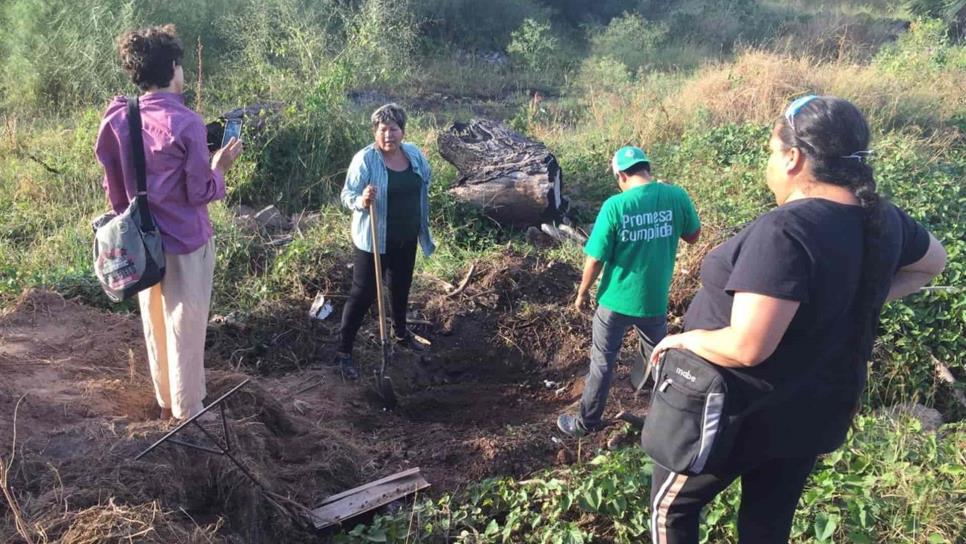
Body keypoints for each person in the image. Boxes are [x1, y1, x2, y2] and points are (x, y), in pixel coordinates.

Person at [647, 95, 946, 543]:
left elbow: (748, 347)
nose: (768, 163)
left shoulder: (786, 230)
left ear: (794, 158)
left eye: (770, 152)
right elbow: (932, 263)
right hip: (810, 413)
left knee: (672, 510)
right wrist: (856, 298)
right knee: (767, 527)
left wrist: (680, 342)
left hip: (736, 412)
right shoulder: (882, 219)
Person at [95, 25, 242, 420]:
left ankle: (167, 399)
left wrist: (131, 210)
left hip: (141, 240)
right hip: (185, 241)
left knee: (155, 323)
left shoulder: (118, 115)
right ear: (174, 67)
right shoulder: (188, 122)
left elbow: (112, 176)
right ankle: (189, 410)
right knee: (186, 327)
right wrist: (220, 168)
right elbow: (199, 191)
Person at [557, 146, 701, 437]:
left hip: (614, 300)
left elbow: (595, 258)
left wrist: (582, 293)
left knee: (602, 363)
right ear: (646, 168)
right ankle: (669, 422)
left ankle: (586, 424)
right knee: (661, 361)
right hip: (653, 300)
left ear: (622, 175)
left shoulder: (616, 206)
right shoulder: (675, 196)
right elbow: (693, 236)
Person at [335, 103, 436, 379]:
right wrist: (362, 200)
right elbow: (347, 195)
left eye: (393, 129)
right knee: (363, 293)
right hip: (373, 241)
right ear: (375, 132)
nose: (388, 135)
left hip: (406, 237)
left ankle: (401, 333)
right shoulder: (366, 159)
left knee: (401, 286)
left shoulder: (413, 154)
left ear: (402, 131)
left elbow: (425, 179)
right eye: (382, 130)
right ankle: (344, 351)